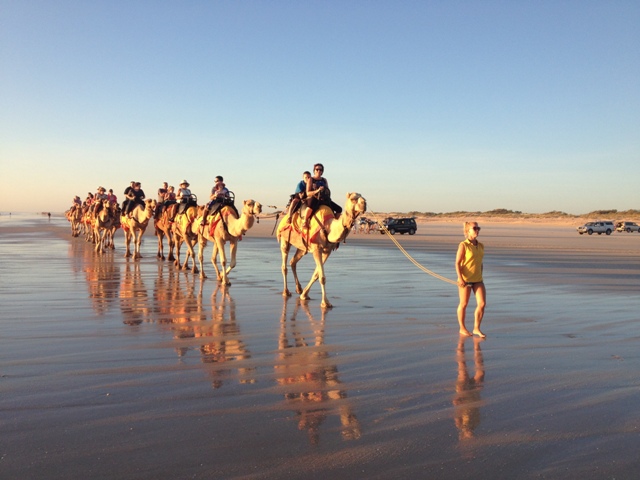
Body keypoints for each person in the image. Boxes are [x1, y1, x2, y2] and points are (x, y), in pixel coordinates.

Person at [455, 222, 486, 338]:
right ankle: (462, 328)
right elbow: (457, 263)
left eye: (478, 228)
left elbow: (480, 262)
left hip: (478, 279)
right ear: (468, 231)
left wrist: (481, 275)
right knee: (463, 304)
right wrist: (461, 278)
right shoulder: (463, 245)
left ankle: (476, 328)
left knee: (482, 304)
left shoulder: (481, 245)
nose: (477, 230)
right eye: (475, 228)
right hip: (465, 279)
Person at [303, 163, 342, 227]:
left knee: (339, 209)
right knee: (310, 206)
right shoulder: (311, 179)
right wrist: (317, 191)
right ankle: (305, 221)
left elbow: (327, 190)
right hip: (314, 198)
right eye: (317, 169)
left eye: (320, 170)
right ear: (314, 170)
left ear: (322, 171)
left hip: (324, 199)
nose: (319, 171)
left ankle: (334, 222)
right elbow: (308, 193)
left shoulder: (324, 180)